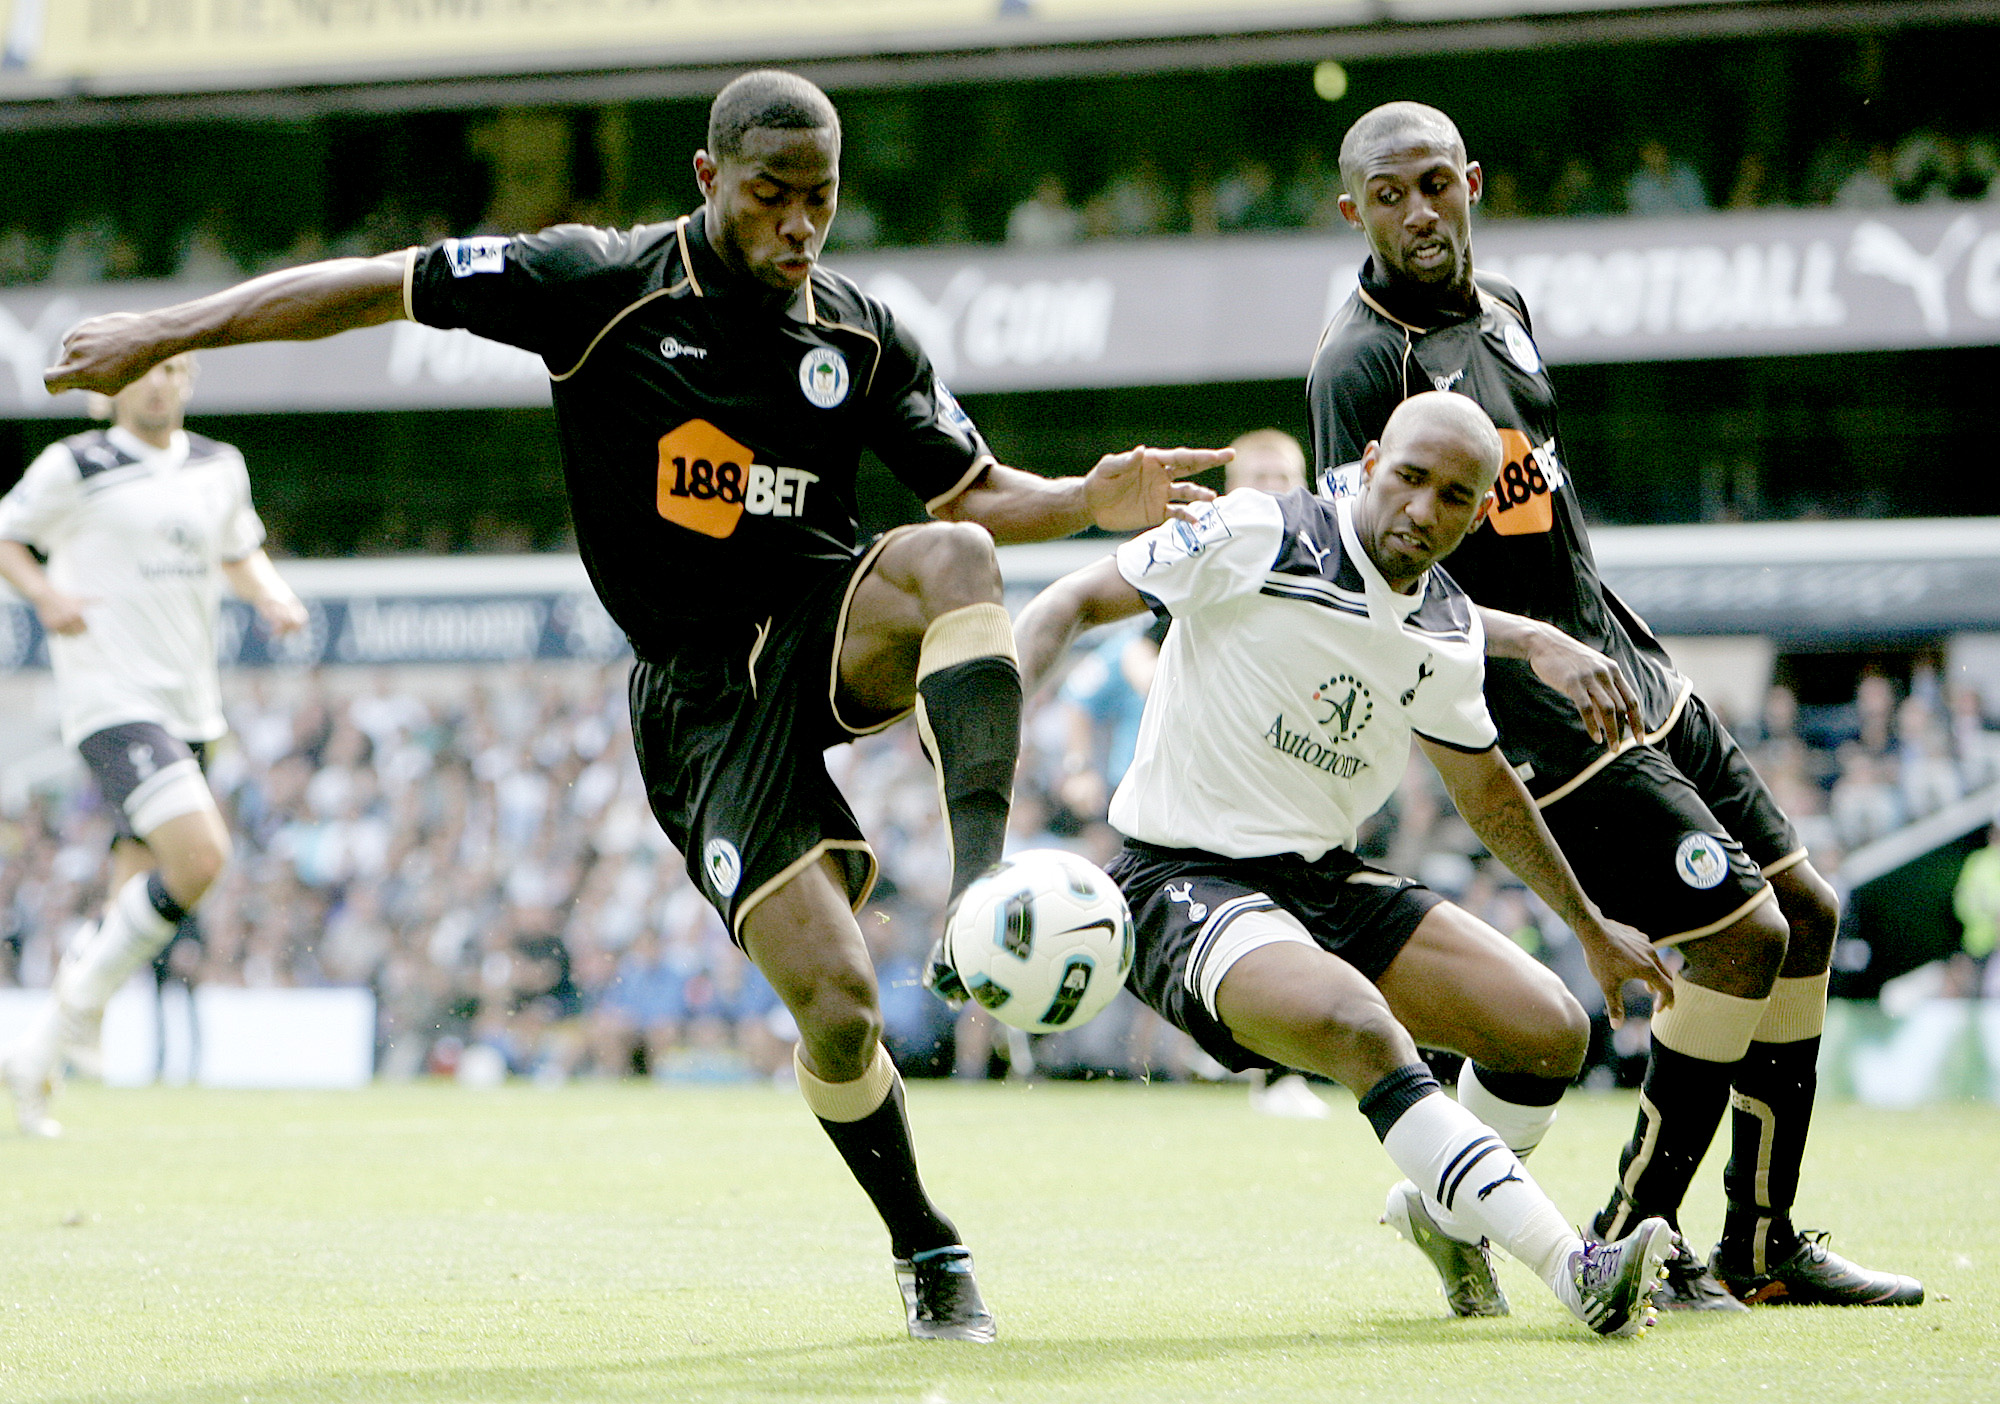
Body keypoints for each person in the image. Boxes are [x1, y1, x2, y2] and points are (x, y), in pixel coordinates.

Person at [41, 69, 1224, 1342]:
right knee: (836, 1012)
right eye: (771, 197)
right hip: (698, 702)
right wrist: (168, 332)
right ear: (708, 179)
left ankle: (980, 887)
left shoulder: (864, 334)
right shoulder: (595, 286)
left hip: (827, 624)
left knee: (960, 563)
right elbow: (372, 283)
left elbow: (972, 492)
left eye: (819, 202)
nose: (797, 229)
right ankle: (921, 1237)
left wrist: (1083, 501)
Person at [1309, 100, 1922, 1308]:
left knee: (1803, 909)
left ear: (1471, 181)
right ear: (1353, 211)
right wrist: (1536, 646)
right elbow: (1359, 582)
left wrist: (1598, 633)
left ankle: (1761, 1240)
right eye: (1390, 196)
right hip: (1530, 709)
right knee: (1736, 940)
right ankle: (1637, 1230)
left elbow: (1540, 515)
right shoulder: (1358, 364)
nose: (1418, 212)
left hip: (1627, 666)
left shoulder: (1507, 315)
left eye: (1436, 184)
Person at [1012, 391, 1679, 1336]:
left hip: (1319, 880)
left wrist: (1589, 928)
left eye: (1454, 496)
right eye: (1408, 478)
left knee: (1549, 1031)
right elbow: (1071, 600)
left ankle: (1449, 1223)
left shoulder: (1445, 625)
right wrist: (988, 748)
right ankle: (1576, 1269)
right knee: (1363, 1027)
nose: (1422, 509)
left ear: (1481, 510)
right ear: (1367, 463)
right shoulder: (1257, 533)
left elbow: (1487, 790)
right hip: (1181, 879)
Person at [0, 353, 307, 1136]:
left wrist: (271, 594)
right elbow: (8, 536)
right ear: (114, 386)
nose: (157, 382)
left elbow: (236, 553)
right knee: (202, 858)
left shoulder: (218, 466)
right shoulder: (76, 464)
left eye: (171, 368)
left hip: (191, 707)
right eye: (142, 370)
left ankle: (38, 1052)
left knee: (133, 897)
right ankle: (66, 1017)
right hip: (112, 698)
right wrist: (44, 596)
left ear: (190, 378)